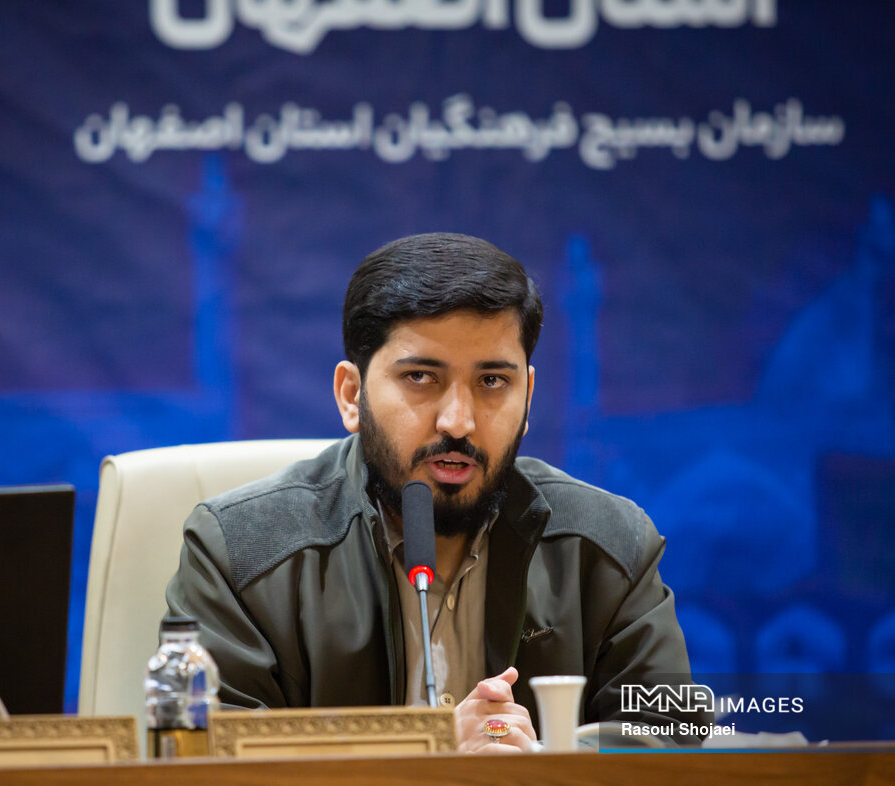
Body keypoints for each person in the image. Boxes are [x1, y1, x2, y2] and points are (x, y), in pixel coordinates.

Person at [166, 232, 708, 752]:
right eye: (421, 377)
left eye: (492, 381)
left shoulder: (611, 546)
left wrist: (542, 763)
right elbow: (211, 763)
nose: (458, 422)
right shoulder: (239, 553)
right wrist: (429, 754)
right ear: (352, 395)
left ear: (528, 396)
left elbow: (673, 742)